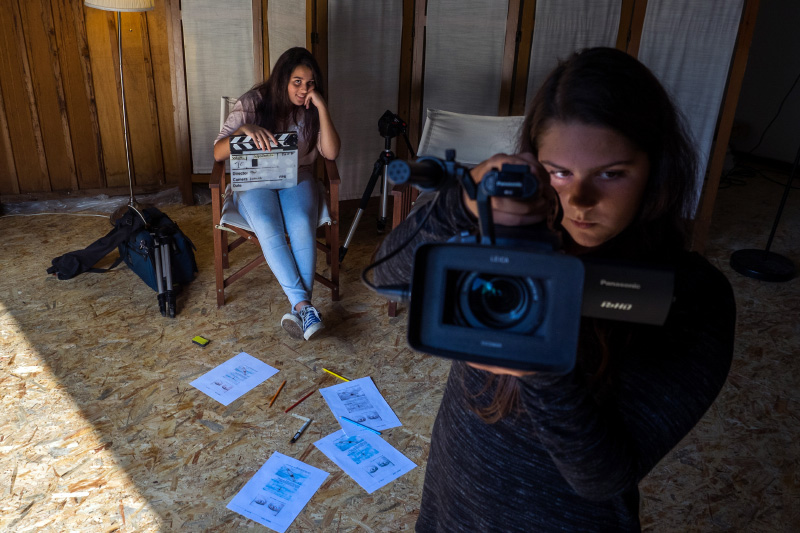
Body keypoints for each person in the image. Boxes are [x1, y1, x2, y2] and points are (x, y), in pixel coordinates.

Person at [374, 47, 736, 531]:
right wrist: (460, 204)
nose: (580, 200)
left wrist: (537, 366)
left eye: (611, 173)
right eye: (560, 172)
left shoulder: (690, 297)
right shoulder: (504, 237)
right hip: (451, 505)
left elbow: (602, 476)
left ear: (656, 168)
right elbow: (386, 277)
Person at [215, 47, 340, 340]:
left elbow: (331, 152)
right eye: (297, 81)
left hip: (297, 178)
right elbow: (218, 153)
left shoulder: (310, 108)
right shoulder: (252, 103)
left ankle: (301, 309)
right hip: (256, 181)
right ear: (282, 79)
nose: (303, 89)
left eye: (310, 83)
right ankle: (305, 307)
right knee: (269, 225)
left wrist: (321, 107)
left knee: (300, 223)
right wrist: (243, 130)